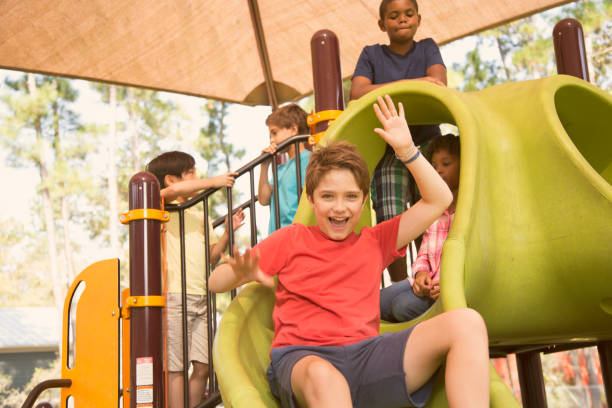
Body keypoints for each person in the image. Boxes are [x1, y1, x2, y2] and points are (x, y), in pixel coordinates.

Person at [209, 96, 489, 408]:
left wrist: (408, 152)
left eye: (351, 197)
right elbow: (215, 282)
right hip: (305, 359)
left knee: (466, 322)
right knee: (325, 378)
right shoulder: (291, 239)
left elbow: (437, 199)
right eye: (328, 196)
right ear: (312, 201)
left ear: (363, 200)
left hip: (367, 357)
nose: (339, 207)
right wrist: (239, 272)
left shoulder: (376, 241)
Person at [350, 0, 448, 283]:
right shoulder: (372, 54)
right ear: (382, 24)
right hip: (390, 146)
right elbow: (357, 93)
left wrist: (383, 90)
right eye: (393, 16)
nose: (402, 20)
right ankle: (400, 282)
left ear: (418, 19)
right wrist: (418, 83)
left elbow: (438, 81)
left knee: (428, 209)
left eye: (408, 14)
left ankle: (426, 274)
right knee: (390, 212)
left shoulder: (427, 46)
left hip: (427, 145)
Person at [146, 151, 245, 408]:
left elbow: (212, 256)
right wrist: (214, 182)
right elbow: (166, 194)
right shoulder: (160, 206)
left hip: (202, 295)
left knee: (202, 365)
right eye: (192, 173)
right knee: (177, 366)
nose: (198, 178)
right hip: (175, 296)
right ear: (170, 179)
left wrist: (227, 232)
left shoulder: (199, 213)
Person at [380, 134, 460, 322]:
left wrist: (447, 283)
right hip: (428, 283)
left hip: (452, 288)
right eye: (434, 166)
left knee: (402, 307)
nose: (438, 171)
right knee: (377, 302)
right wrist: (420, 273)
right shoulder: (436, 212)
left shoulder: (471, 210)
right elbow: (424, 253)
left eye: (446, 164)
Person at [258, 104, 311, 234]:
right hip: (277, 236)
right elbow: (264, 199)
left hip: (297, 235)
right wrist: (264, 166)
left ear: (293, 130)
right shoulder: (280, 169)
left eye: (274, 133)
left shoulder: (310, 160)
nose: (271, 140)